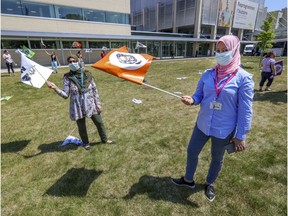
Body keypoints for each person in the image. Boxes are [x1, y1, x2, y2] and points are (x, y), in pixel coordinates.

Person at [171, 35, 254, 202]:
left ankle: (209, 183)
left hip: (223, 129)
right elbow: (198, 95)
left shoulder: (244, 78)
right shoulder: (208, 74)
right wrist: (192, 100)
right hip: (202, 124)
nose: (221, 54)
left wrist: (240, 136)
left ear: (235, 50)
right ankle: (188, 180)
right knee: (192, 151)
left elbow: (245, 111)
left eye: (225, 50)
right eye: (218, 51)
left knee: (217, 158)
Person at [47, 56, 115, 150]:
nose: (72, 63)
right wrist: (55, 88)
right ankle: (86, 143)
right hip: (77, 106)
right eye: (70, 62)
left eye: (74, 61)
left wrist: (98, 103)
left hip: (91, 104)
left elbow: (95, 90)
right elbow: (66, 95)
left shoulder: (87, 74)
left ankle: (105, 139)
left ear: (78, 62)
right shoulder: (67, 77)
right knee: (81, 126)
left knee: (99, 122)